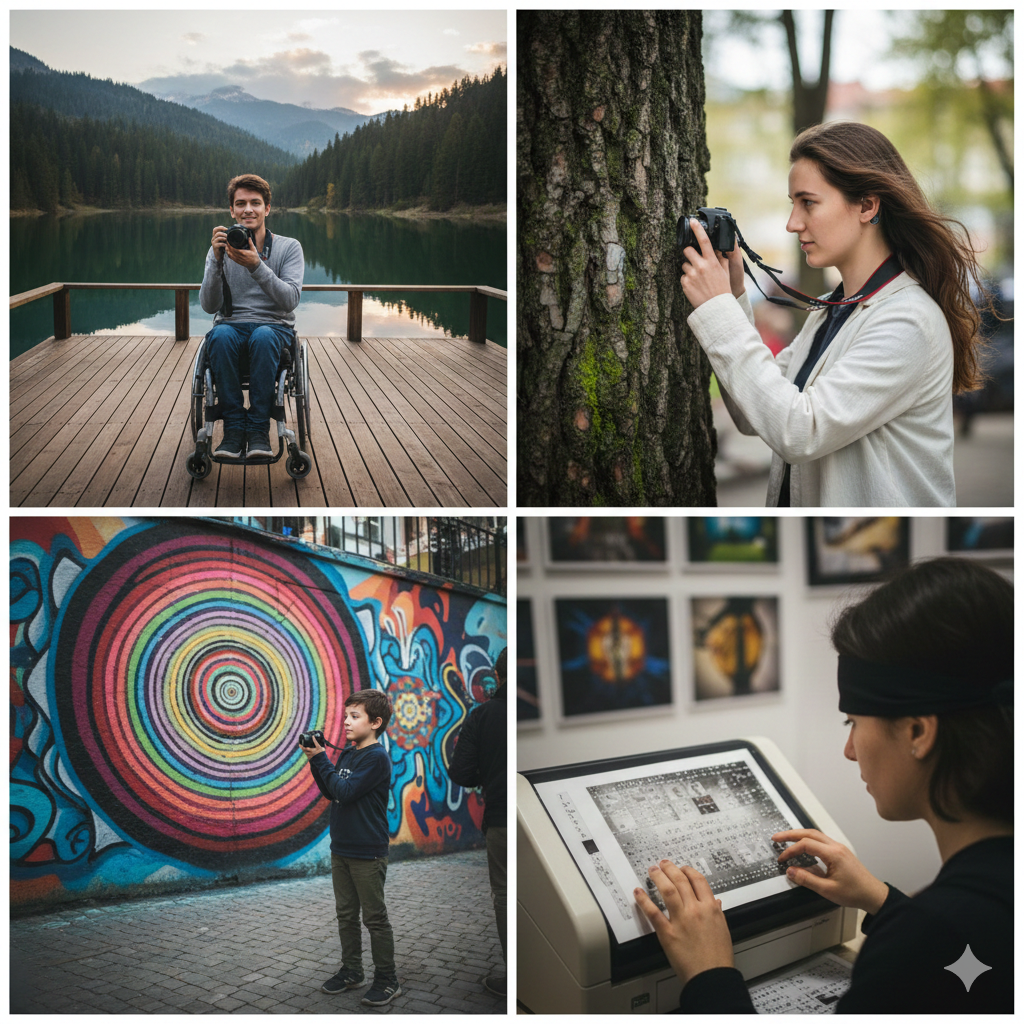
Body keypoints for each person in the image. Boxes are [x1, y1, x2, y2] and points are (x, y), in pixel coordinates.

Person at [634, 557, 1012, 1013]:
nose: (850, 750)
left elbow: (934, 952)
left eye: (853, 721)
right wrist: (882, 900)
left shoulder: (924, 941)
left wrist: (709, 973)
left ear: (917, 732)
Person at [680, 121, 996, 507]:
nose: (793, 223)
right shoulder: (834, 308)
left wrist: (718, 312)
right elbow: (754, 413)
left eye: (808, 202)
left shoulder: (907, 321)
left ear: (867, 205)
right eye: (792, 204)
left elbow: (799, 430)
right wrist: (733, 296)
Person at [301, 689, 402, 1007]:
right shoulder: (347, 754)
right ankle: (352, 971)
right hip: (341, 847)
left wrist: (321, 759)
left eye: (354, 716)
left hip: (368, 851)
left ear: (375, 722)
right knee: (346, 915)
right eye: (346, 715)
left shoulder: (376, 758)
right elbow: (332, 791)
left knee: (374, 917)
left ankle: (387, 979)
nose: (346, 721)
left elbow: (344, 790)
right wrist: (315, 761)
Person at [199, 172, 304, 460]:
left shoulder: (288, 247)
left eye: (255, 203)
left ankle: (258, 429)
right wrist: (216, 261)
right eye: (241, 203)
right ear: (231, 210)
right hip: (229, 328)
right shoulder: (220, 248)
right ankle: (233, 429)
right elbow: (209, 306)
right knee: (218, 334)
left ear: (267, 208)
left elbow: (290, 300)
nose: (248, 209)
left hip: (274, 330)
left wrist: (257, 265)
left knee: (264, 334)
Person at [448, 648, 507, 997]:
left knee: (505, 894)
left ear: (496, 677)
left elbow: (461, 772)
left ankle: (516, 975)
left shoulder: (483, 715)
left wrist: (489, 771)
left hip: (502, 817)